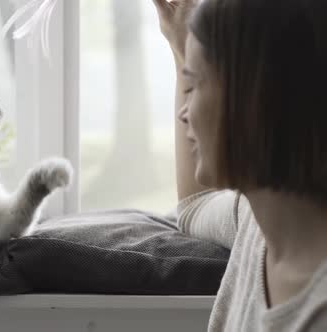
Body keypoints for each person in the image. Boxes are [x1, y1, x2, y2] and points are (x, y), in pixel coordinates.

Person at [152, 0, 327, 330]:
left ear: (251, 100)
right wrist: (181, 46)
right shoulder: (257, 222)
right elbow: (195, 206)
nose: (183, 114)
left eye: (196, 85)